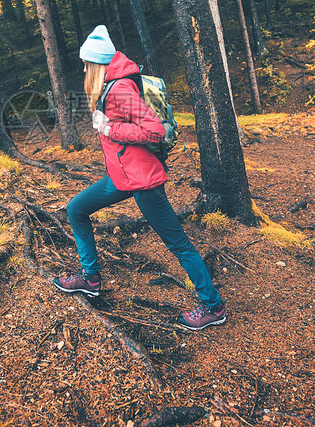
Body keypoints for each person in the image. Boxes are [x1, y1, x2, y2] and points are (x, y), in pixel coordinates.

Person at [53, 25, 225, 331]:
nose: (82, 68)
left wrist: (109, 129)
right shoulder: (109, 85)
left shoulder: (119, 88)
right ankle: (90, 278)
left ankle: (213, 306)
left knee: (179, 244)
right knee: (76, 208)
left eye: (85, 63)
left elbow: (154, 130)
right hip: (122, 177)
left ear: (97, 64)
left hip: (143, 180)